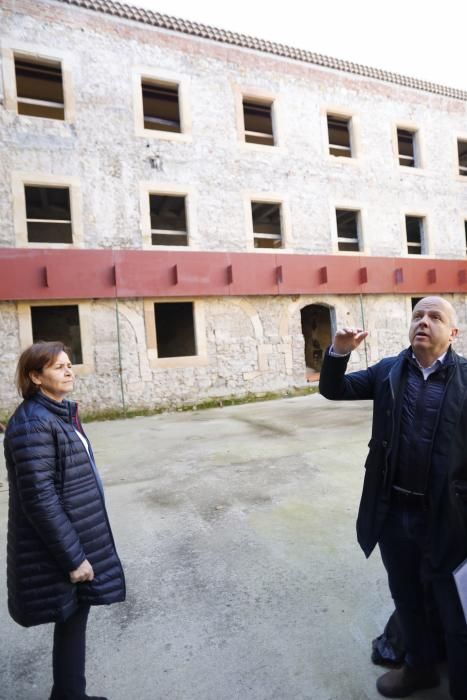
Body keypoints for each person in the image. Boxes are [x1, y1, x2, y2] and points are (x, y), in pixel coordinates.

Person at [319, 296, 467, 700]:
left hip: (447, 519)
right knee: (406, 598)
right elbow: (335, 389)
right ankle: (418, 669)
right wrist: (338, 353)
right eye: (418, 315)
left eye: (435, 317)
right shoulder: (388, 371)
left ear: (452, 333)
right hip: (393, 513)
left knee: (455, 608)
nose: (424, 321)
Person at [4, 341, 126, 700]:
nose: (69, 371)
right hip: (60, 546)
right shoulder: (32, 425)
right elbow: (40, 500)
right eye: (58, 367)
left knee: (73, 619)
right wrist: (73, 558)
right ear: (35, 377)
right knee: (70, 617)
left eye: (69, 364)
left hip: (73, 535)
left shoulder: (56, 414)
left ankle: (69, 694)